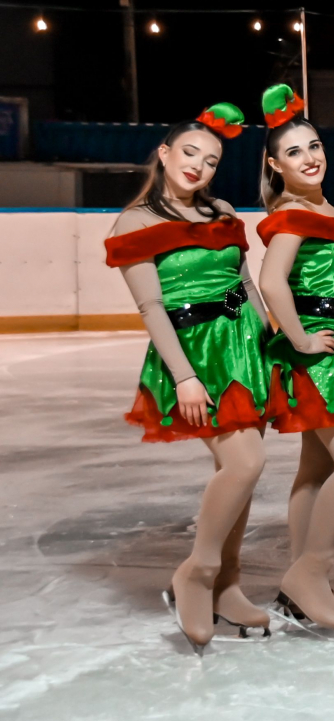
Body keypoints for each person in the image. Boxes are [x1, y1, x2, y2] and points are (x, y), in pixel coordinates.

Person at [105, 103, 272, 653]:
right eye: (190, 153)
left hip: (244, 350)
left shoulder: (220, 210)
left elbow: (245, 284)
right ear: (165, 153)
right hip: (194, 357)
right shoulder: (136, 221)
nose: (199, 165)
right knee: (244, 464)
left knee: (239, 473)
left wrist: (267, 344)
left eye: (212, 160)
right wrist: (183, 378)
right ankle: (197, 573)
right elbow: (151, 307)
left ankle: (227, 584)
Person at [256, 85, 334, 636]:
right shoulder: (293, 212)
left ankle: (305, 582)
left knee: (316, 469)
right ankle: (309, 572)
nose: (309, 157)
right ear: (274, 164)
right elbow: (270, 282)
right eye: (294, 152)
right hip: (323, 354)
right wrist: (302, 339)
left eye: (314, 146)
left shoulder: (321, 207)